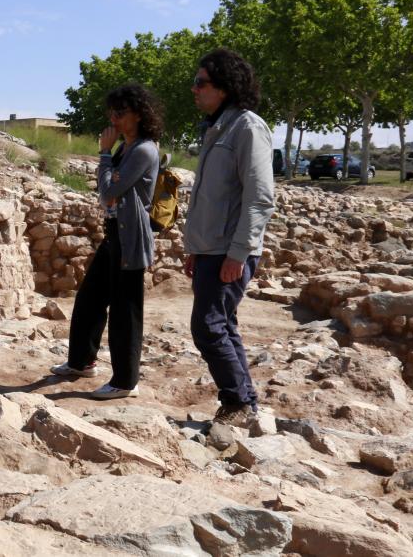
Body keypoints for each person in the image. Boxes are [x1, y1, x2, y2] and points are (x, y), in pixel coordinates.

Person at [50, 84, 161, 398]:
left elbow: (108, 191)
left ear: (138, 114)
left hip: (131, 236)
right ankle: (81, 362)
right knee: (90, 299)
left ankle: (125, 382)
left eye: (120, 112)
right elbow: (109, 186)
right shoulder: (126, 148)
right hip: (116, 232)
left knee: (126, 309)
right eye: (111, 112)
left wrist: (103, 154)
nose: (113, 118)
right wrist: (109, 167)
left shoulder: (142, 149)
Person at [184, 48, 275, 425]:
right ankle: (245, 402)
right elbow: (209, 197)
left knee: (207, 326)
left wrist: (238, 254)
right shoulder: (217, 128)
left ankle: (237, 403)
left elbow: (260, 197)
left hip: (229, 251)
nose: (194, 89)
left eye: (201, 83)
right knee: (223, 323)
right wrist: (193, 249)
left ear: (224, 87)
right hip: (210, 249)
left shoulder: (248, 127)